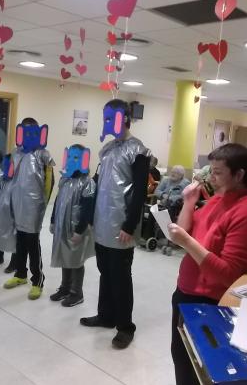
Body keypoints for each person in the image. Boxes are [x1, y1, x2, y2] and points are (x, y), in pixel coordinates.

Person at [167, 143, 247, 385]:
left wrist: (187, 242)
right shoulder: (219, 199)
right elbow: (183, 232)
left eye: (217, 173)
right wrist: (188, 202)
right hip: (187, 293)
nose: (211, 178)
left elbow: (229, 275)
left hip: (211, 303)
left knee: (201, 371)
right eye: (210, 171)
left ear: (239, 174)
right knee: (182, 359)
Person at [80, 99, 150, 350]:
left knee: (120, 277)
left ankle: (125, 326)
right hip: (102, 222)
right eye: (105, 119)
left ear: (125, 118)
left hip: (121, 224)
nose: (107, 123)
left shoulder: (138, 151)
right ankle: (106, 315)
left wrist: (129, 225)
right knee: (105, 271)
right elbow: (98, 184)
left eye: (110, 118)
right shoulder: (107, 149)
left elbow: (139, 192)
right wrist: (90, 216)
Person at [3, 118, 55, 300]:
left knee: (32, 243)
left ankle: (37, 280)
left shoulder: (43, 155)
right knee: (20, 241)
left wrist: (43, 204)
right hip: (18, 203)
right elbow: (10, 178)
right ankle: (20, 274)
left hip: (34, 206)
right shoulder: (16, 153)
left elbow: (49, 181)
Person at [49, 144, 96, 307]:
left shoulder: (88, 183)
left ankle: (77, 293)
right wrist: (53, 220)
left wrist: (80, 230)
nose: (71, 160)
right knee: (65, 256)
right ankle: (65, 288)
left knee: (75, 260)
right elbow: (57, 201)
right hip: (62, 226)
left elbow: (88, 209)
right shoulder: (65, 179)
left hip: (76, 228)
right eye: (69, 157)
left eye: (75, 157)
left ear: (84, 160)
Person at [0, 154, 18, 272]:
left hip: (13, 213)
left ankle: (14, 263)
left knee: (14, 238)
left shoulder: (18, 182)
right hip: (1, 211)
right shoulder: (3, 179)